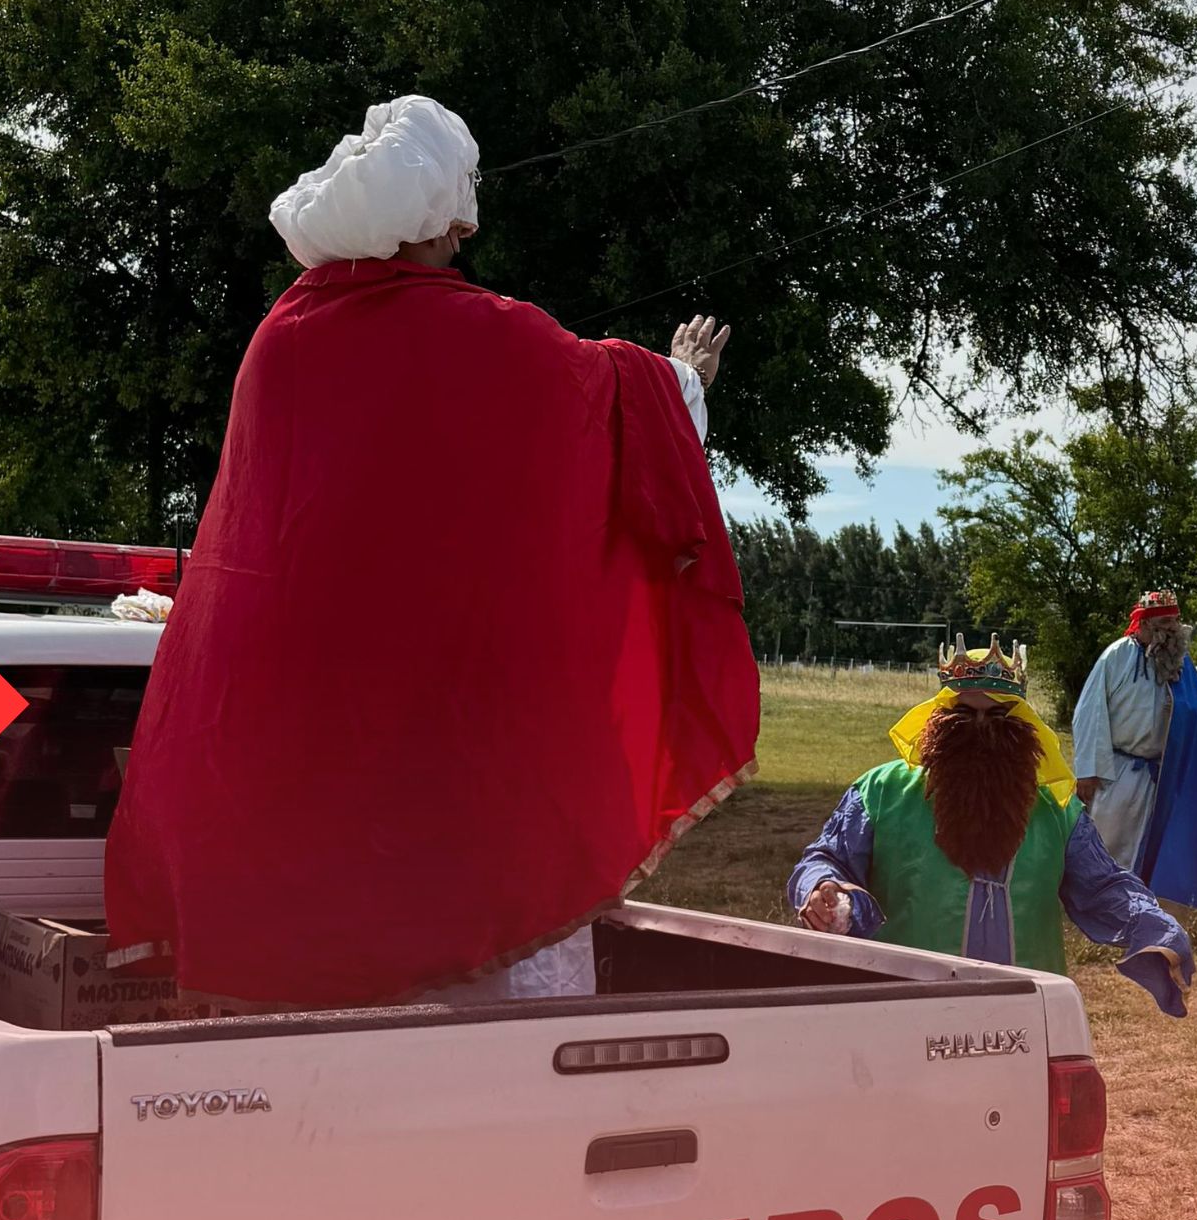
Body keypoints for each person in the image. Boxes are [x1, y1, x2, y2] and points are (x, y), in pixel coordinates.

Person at [106, 95, 760, 1009]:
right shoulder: (483, 335)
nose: (465, 233)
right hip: (453, 750)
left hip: (297, 757)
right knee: (491, 1008)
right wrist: (684, 377)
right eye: (457, 211)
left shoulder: (280, 342)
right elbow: (600, 408)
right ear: (429, 219)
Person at [788, 639, 1194, 1017]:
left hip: (1024, 1016)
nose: (981, 727)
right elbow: (827, 858)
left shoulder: (1055, 811)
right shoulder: (882, 792)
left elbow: (1103, 886)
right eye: (964, 715)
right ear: (938, 721)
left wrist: (1150, 922)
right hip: (905, 1009)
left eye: (998, 717)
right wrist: (822, 888)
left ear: (1022, 726)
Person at [1070, 591, 1197, 908]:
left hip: (1160, 774)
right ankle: (1095, 907)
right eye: (1164, 622)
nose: (1172, 628)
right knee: (1108, 844)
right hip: (1117, 771)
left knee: (1149, 847)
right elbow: (1090, 712)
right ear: (1143, 625)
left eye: (1175, 621)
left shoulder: (1177, 661)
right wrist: (1088, 771)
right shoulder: (1117, 655)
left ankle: (1137, 910)